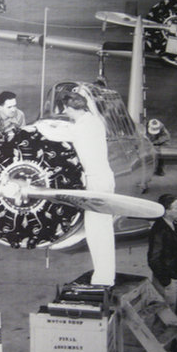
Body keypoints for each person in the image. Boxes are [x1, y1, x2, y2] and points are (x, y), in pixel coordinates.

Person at [36, 92, 116, 286]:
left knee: (97, 230)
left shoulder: (82, 128)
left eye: (66, 109)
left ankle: (104, 278)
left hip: (96, 181)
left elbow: (54, 134)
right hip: (102, 178)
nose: (65, 112)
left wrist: (39, 125)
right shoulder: (93, 121)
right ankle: (104, 275)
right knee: (100, 228)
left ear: (71, 108)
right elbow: (72, 128)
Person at [147, 194, 177, 317]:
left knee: (176, 312)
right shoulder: (159, 230)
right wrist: (166, 281)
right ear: (166, 211)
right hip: (169, 281)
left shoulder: (174, 225)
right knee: (167, 316)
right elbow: (153, 259)